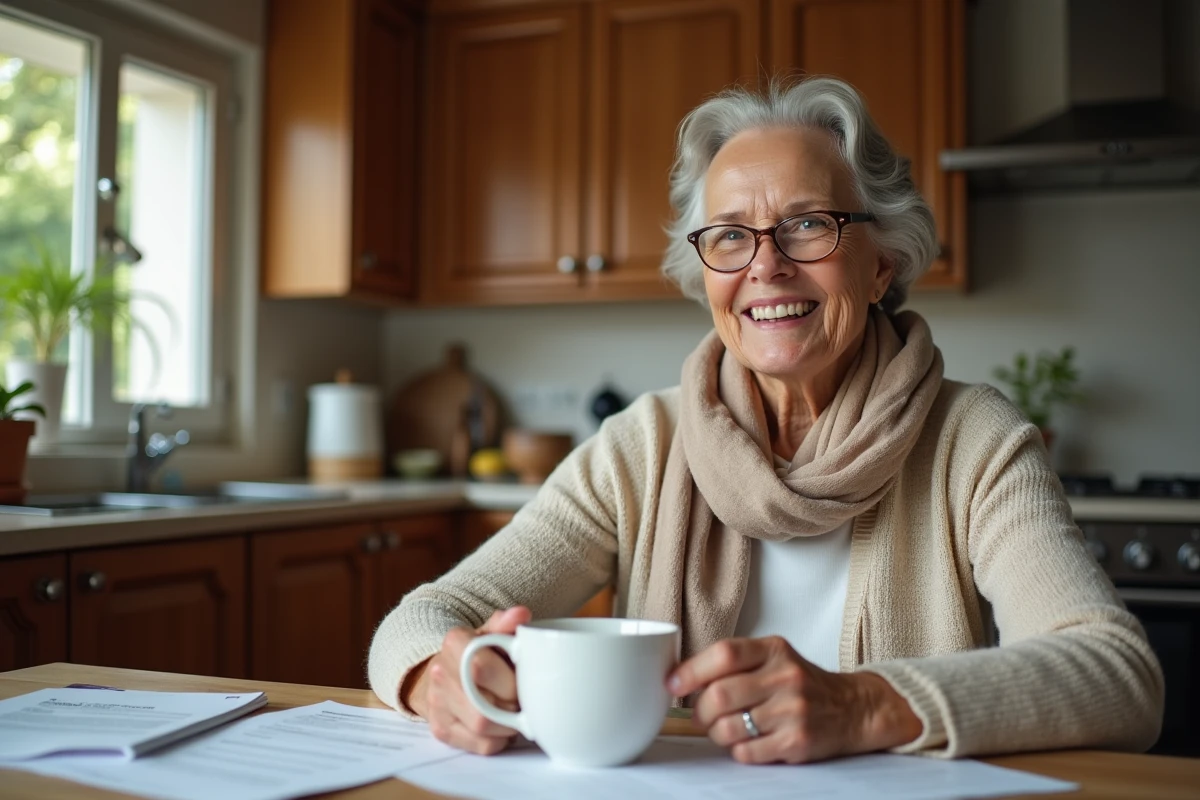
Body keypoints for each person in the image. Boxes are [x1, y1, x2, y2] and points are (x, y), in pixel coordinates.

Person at [368, 77, 1163, 764]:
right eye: (730, 235)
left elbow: (1117, 674)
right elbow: (422, 620)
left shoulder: (973, 440)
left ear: (881, 259)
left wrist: (863, 705)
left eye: (810, 223)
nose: (766, 264)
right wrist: (433, 679)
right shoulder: (643, 447)